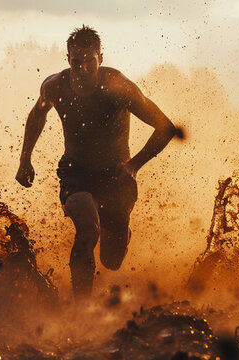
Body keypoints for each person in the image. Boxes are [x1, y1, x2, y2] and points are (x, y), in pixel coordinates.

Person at [15, 25, 175, 299]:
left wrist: (133, 166)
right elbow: (37, 116)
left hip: (117, 176)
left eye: (90, 59)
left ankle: (122, 233)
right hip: (75, 172)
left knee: (111, 261)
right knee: (88, 227)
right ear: (68, 59)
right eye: (76, 60)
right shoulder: (55, 86)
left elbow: (165, 127)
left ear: (101, 58)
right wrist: (25, 160)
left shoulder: (119, 86)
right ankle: (81, 311)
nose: (83, 67)